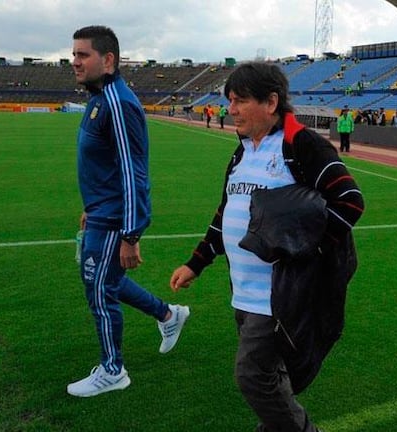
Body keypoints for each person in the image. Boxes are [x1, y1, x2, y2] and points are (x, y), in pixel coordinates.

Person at [169, 62, 364, 432]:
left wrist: (309, 254)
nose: (232, 109)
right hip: (242, 292)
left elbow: (350, 201)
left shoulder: (302, 146)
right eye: (230, 100)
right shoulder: (242, 152)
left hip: (277, 298)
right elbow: (227, 212)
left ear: (271, 102)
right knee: (271, 375)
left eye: (240, 101)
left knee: (253, 375)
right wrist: (196, 263)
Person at [67, 25, 190, 398]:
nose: (74, 62)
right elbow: (104, 166)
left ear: (107, 60)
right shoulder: (100, 98)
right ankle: (169, 315)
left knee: (100, 290)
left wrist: (131, 233)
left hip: (116, 219)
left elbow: (133, 171)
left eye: (82, 55)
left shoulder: (118, 103)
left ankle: (113, 369)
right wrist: (90, 207)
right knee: (108, 282)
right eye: (73, 54)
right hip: (101, 212)